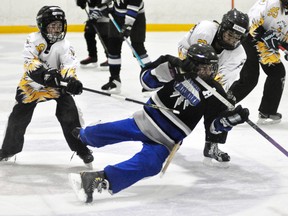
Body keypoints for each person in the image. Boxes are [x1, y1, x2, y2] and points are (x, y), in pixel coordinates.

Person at [69, 44, 249, 203]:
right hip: (144, 121)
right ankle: (84, 134)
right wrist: (172, 69)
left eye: (210, 68)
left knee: (151, 166)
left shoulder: (215, 91)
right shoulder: (177, 70)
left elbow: (213, 127)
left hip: (165, 142)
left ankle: (99, 179)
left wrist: (231, 119)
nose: (207, 73)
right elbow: (146, 81)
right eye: (202, 68)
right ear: (192, 65)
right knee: (97, 134)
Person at [0, 6, 94, 166]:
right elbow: (30, 62)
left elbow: (69, 65)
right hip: (31, 86)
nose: (56, 30)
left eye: (59, 26)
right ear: (43, 26)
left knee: (70, 114)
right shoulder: (33, 39)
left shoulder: (65, 45)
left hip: (57, 86)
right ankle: (8, 150)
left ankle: (82, 150)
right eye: (52, 26)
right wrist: (45, 74)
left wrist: (71, 81)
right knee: (18, 118)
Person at [178, 8, 249, 166]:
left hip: (209, 79)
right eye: (230, 35)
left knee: (220, 100)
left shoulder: (239, 54)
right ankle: (172, 137)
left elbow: (221, 80)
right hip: (187, 69)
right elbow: (184, 49)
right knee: (180, 100)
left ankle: (212, 145)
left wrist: (212, 92)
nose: (232, 41)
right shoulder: (205, 29)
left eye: (237, 37)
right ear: (223, 28)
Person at [228, 0, 288, 125]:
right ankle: (223, 104)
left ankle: (267, 111)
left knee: (278, 73)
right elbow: (249, 24)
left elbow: (283, 36)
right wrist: (264, 35)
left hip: (265, 45)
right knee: (250, 79)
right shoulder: (269, 3)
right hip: (249, 39)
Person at [89, 0, 151, 94]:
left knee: (138, 48)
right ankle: (115, 80)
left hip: (137, 17)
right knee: (113, 47)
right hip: (117, 16)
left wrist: (127, 26)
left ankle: (151, 80)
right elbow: (104, 2)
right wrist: (97, 12)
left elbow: (134, 5)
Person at [76, 0, 109, 70]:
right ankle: (92, 56)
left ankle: (111, 58)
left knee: (104, 37)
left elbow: (103, 4)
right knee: (88, 34)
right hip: (92, 15)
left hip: (104, 14)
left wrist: (94, 16)